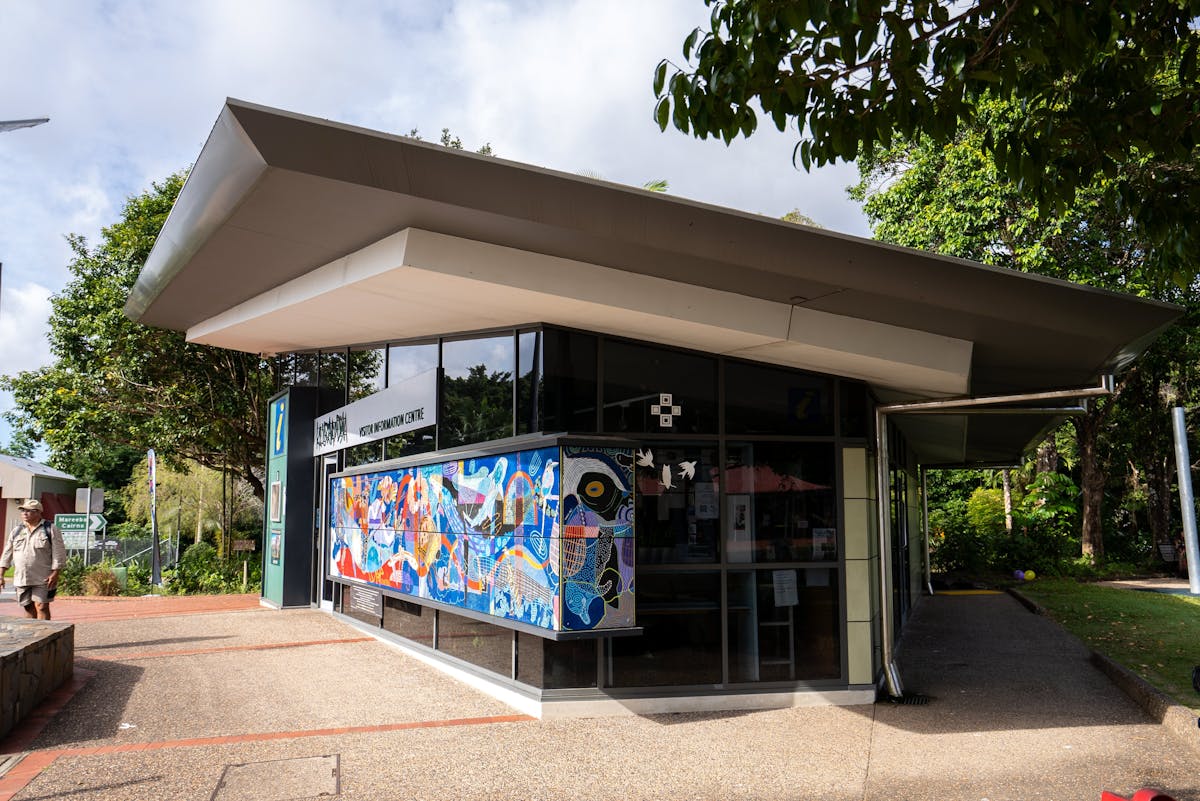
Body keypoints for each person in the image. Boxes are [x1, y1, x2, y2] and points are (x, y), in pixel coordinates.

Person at [0, 499, 67, 619]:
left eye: (29, 511)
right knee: (27, 606)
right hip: (22, 577)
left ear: (38, 512)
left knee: (42, 606)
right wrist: (1, 574)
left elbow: (59, 552)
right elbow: (7, 553)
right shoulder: (17, 530)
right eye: (23, 510)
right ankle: (31, 633)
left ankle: (45, 633)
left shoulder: (50, 529)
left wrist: (56, 572)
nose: (24, 513)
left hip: (44, 577)